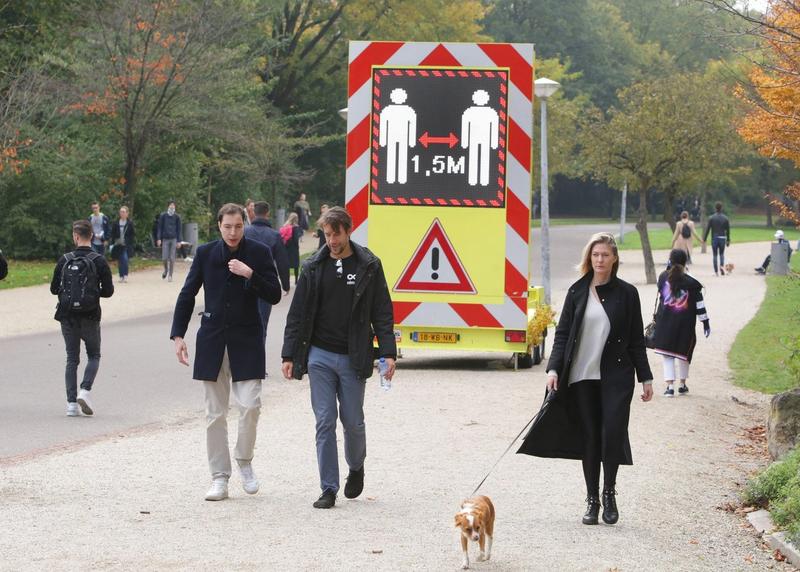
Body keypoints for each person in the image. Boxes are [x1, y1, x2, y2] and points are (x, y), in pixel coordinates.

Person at [517, 232, 653, 526]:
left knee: (612, 433)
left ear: (614, 258)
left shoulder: (627, 294)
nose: (600, 260)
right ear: (589, 258)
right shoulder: (577, 291)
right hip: (581, 376)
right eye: (595, 255)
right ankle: (592, 499)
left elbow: (635, 340)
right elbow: (562, 334)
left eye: (605, 255)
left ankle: (609, 493)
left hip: (616, 375)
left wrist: (646, 377)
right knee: (590, 436)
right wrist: (553, 369)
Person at [281, 206, 396, 509]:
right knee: (324, 420)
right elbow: (297, 313)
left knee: (353, 421)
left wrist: (387, 352)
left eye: (336, 234)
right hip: (319, 355)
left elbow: (382, 311)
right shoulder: (313, 266)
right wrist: (289, 354)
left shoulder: (368, 265)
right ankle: (328, 488)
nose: (331, 240)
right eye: (327, 234)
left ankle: (356, 467)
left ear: (348, 230)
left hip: (353, 356)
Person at [170, 203, 281, 501]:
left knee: (251, 405)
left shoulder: (259, 252)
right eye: (228, 226)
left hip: (248, 340)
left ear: (245, 225)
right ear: (219, 226)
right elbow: (187, 294)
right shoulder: (206, 254)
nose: (233, 232)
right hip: (213, 340)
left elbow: (274, 293)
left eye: (238, 226)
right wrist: (178, 335)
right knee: (215, 414)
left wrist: (250, 274)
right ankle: (219, 476)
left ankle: (244, 460)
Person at [50, 220, 114, 416]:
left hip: (67, 316)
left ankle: (71, 405)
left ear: (75, 236)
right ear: (91, 236)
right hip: (90, 315)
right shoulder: (99, 260)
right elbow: (109, 291)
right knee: (94, 355)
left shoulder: (64, 260)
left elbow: (53, 289)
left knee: (72, 359)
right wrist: (92, 294)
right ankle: (85, 390)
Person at [652, 249, 710, 397]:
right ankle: (682, 385)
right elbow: (700, 305)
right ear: (685, 262)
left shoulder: (663, 277)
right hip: (685, 325)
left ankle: (669, 387)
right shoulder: (692, 283)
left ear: (670, 260)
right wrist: (705, 322)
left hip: (665, 323)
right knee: (684, 354)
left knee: (668, 356)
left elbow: (661, 293)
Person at [244, 201, 291, 346]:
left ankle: (243, 358)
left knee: (243, 324)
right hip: (265, 285)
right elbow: (282, 262)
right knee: (261, 325)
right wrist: (285, 285)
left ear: (254, 212)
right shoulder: (274, 235)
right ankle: (258, 358)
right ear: (267, 213)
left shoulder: (244, 232)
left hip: (244, 283)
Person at [156, 200, 182, 282]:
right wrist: (159, 238)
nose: (172, 206)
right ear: (168, 206)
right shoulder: (163, 216)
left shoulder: (177, 217)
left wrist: (179, 241)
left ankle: (170, 275)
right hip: (165, 239)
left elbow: (179, 229)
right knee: (164, 257)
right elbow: (160, 228)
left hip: (174, 239)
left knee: (172, 258)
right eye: (171, 205)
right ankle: (166, 269)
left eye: (173, 205)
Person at [702, 201, 731, 276]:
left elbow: (708, 229)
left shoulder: (711, 218)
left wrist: (704, 239)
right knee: (721, 254)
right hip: (722, 237)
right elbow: (728, 230)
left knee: (715, 255)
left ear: (715, 208)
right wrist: (728, 240)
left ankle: (716, 272)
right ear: (721, 208)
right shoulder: (725, 218)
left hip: (714, 238)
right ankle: (721, 268)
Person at [110, 206, 135, 283]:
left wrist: (129, 241)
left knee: (125, 259)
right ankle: (121, 276)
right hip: (118, 244)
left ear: (127, 213)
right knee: (120, 261)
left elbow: (132, 234)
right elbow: (113, 233)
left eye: (123, 212)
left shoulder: (130, 223)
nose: (122, 213)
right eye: (121, 212)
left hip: (126, 245)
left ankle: (125, 275)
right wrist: (112, 243)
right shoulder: (116, 223)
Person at [281, 212, 303, 283]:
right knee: (296, 265)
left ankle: (287, 280)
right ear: (296, 219)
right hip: (294, 248)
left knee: (287, 265)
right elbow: (296, 239)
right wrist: (297, 246)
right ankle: (296, 280)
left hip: (286, 247)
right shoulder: (295, 227)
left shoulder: (285, 225)